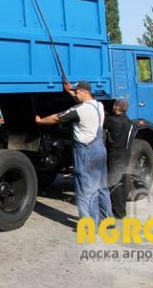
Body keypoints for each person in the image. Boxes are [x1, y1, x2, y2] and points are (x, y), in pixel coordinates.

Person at [34, 81, 112, 225]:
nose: (75, 94)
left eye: (77, 92)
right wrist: (70, 91)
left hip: (85, 152)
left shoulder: (79, 110)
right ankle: (107, 219)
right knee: (101, 186)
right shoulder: (98, 106)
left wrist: (40, 121)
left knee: (84, 189)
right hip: (99, 150)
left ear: (85, 92)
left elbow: (57, 117)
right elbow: (81, 100)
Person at [104, 99, 134, 219]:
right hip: (125, 155)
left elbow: (103, 122)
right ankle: (122, 209)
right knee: (122, 182)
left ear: (116, 107)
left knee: (114, 183)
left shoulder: (113, 121)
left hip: (114, 156)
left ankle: (117, 212)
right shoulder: (129, 122)